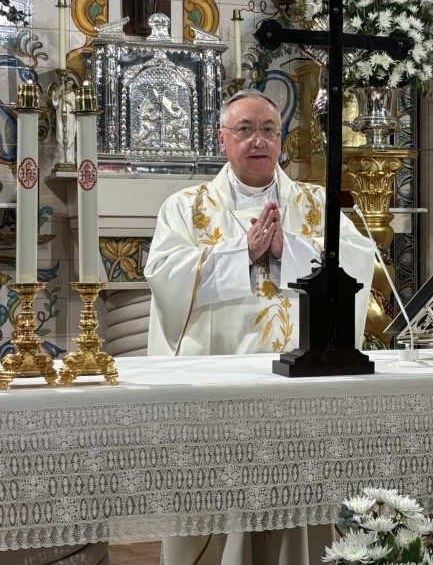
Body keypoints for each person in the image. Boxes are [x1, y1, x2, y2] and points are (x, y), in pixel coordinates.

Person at [145, 90, 376, 564]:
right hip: (217, 384)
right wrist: (241, 253)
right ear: (222, 141)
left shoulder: (317, 203)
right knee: (220, 502)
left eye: (269, 130)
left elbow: (358, 263)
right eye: (245, 130)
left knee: (302, 495)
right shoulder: (184, 206)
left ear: (282, 141)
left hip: (303, 384)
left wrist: (285, 250)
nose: (258, 141)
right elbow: (164, 277)